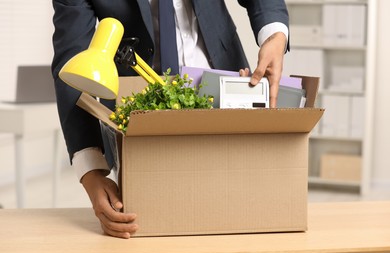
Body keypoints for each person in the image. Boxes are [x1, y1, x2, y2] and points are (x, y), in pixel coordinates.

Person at [51, 0, 289, 239]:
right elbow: (72, 65)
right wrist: (91, 171)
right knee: (158, 230)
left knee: (242, 221)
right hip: (144, 117)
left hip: (226, 90)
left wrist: (274, 34)